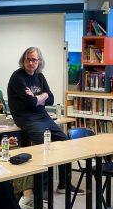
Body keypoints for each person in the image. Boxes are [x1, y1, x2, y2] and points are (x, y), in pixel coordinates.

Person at [7, 47, 77, 194]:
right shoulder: (18, 77)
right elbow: (31, 102)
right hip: (25, 118)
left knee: (65, 142)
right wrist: (42, 96)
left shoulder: (40, 77)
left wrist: (39, 97)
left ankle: (64, 185)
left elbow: (51, 99)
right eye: (28, 59)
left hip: (43, 117)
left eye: (34, 60)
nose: (31, 63)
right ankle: (42, 189)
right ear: (23, 60)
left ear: (39, 61)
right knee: (45, 147)